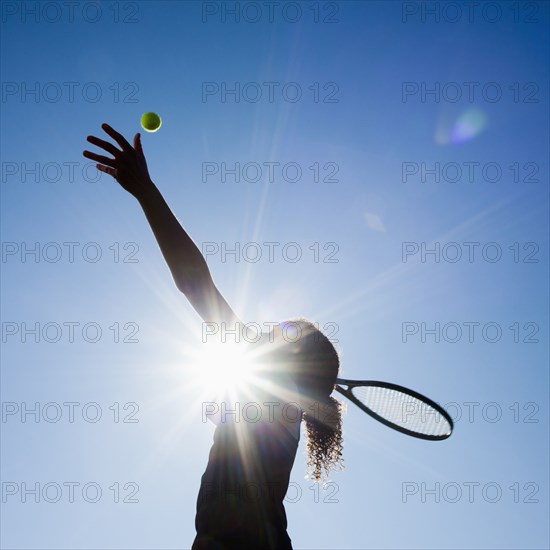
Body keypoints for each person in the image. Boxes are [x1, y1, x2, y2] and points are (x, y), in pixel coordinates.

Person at [83, 124, 344, 549]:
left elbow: (195, 283)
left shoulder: (272, 394)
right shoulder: (278, 404)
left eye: (283, 331)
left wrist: (146, 192)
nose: (267, 330)